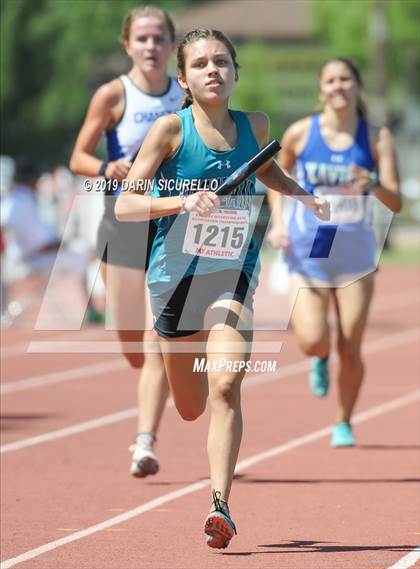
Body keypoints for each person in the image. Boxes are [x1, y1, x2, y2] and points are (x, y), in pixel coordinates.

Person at [115, 28, 327, 548]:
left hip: (232, 275)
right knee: (190, 406)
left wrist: (304, 196)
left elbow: (265, 171)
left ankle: (220, 505)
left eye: (222, 62)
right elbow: (126, 204)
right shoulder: (169, 130)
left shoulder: (255, 125)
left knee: (227, 386)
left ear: (235, 72)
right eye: (202, 64)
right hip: (173, 282)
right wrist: (182, 202)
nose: (213, 70)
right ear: (183, 79)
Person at [69, 5, 184, 477]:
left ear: (171, 44)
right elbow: (77, 155)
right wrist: (104, 168)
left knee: (158, 339)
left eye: (159, 38)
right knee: (132, 345)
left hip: (172, 221)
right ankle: (156, 383)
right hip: (123, 220)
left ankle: (145, 440)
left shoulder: (186, 93)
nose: (151, 46)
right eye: (143, 38)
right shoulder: (114, 95)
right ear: (127, 45)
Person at [267, 57, 401, 448]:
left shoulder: (377, 138)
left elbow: (396, 202)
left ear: (357, 87)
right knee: (312, 338)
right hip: (311, 246)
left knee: (352, 342)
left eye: (345, 79)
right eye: (330, 80)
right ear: (320, 89)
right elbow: (275, 179)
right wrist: (278, 222)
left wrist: (373, 182)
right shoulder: (300, 133)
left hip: (355, 250)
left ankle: (343, 421)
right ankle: (319, 357)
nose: (338, 86)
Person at [1, 158, 95, 326]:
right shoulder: (22, 202)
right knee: (86, 251)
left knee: (82, 251)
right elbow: (39, 243)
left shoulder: (15, 200)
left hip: (23, 257)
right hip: (34, 259)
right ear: (32, 179)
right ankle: (91, 309)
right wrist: (61, 244)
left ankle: (89, 308)